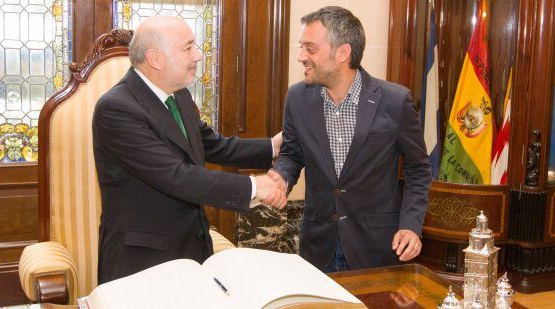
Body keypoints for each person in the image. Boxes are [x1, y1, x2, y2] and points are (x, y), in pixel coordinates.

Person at [92, 16, 286, 284]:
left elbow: (211, 144)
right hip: (143, 264)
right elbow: (176, 176)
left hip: (192, 250)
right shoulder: (117, 109)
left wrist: (272, 147)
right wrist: (254, 187)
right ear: (155, 59)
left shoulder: (178, 95)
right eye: (188, 47)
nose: (198, 55)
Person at [271, 6, 431, 272]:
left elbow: (419, 169)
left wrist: (411, 225)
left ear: (343, 52)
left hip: (376, 248)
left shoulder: (394, 101)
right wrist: (281, 178)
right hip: (318, 246)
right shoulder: (297, 98)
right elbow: (291, 153)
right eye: (301, 47)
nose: (300, 56)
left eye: (310, 49)